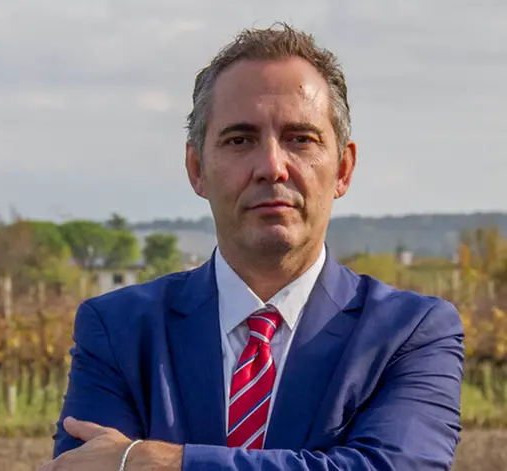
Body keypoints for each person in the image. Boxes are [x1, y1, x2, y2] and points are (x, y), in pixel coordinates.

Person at [37, 23, 464, 471]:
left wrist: (160, 461)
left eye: (301, 139)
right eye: (240, 140)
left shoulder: (410, 334)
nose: (271, 167)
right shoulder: (119, 331)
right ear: (196, 168)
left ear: (343, 169)